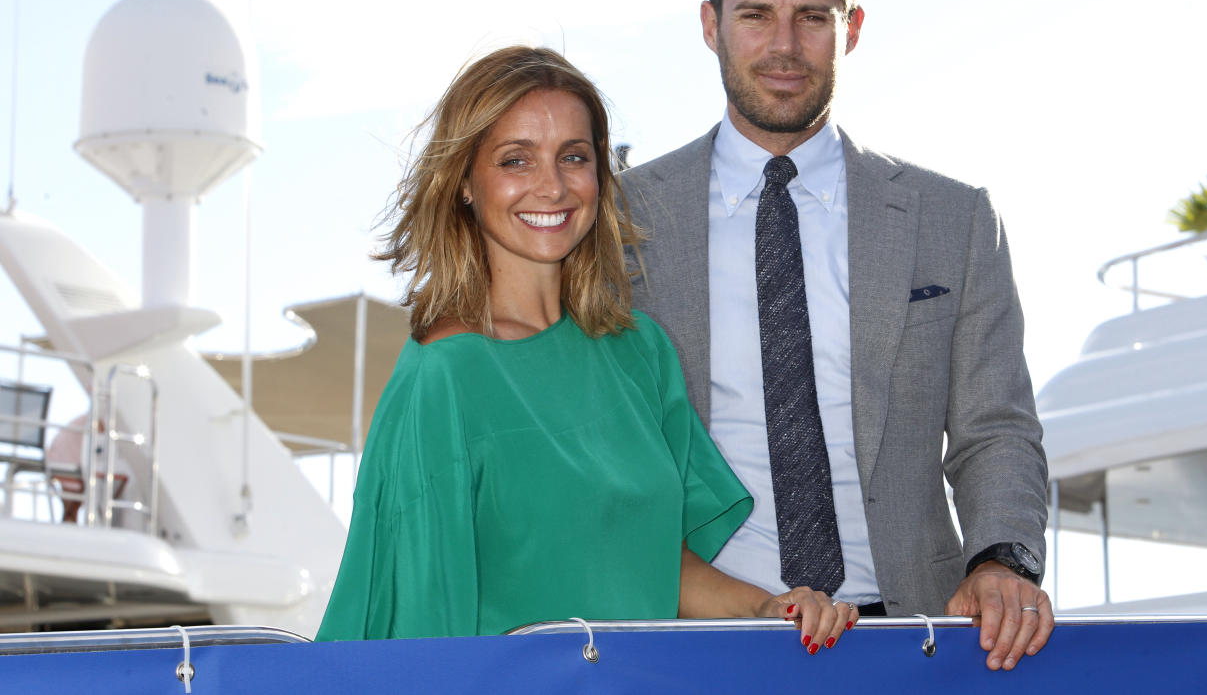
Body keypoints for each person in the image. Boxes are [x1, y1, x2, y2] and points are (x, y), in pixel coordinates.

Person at [620, 0, 1053, 671]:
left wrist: (1002, 561)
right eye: (756, 14)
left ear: (849, 28)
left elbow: (997, 429)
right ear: (711, 24)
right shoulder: (621, 224)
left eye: (812, 17)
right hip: (697, 637)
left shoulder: (953, 220)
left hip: (918, 636)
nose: (784, 45)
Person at [316, 45, 855, 651]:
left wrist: (767, 605)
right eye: (516, 160)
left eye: (574, 157)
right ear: (465, 183)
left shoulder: (640, 352)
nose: (551, 187)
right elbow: (418, 622)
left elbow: (652, 563)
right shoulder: (442, 376)